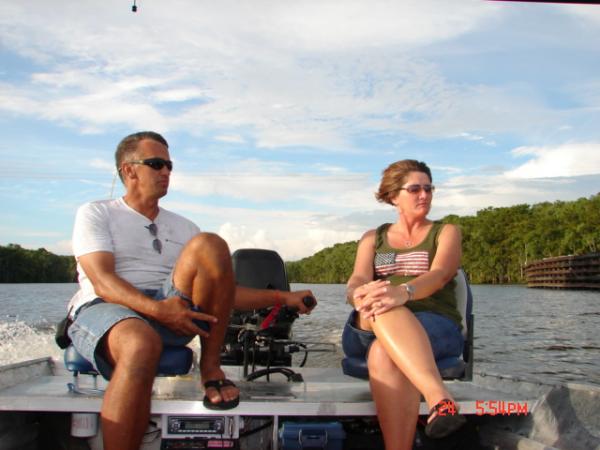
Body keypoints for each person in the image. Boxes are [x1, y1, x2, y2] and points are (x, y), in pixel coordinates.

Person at [67, 131, 316, 450]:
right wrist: (158, 310)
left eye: (169, 165)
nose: (166, 172)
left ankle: (210, 368)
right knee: (140, 343)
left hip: (172, 311)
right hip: (106, 307)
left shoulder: (185, 228)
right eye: (156, 164)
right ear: (128, 170)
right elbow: (102, 280)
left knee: (210, 244)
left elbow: (222, 293)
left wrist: (283, 298)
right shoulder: (97, 212)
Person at [343, 159, 466, 450]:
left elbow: (440, 275)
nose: (424, 195)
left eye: (428, 188)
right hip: (369, 323)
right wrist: (358, 294)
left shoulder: (446, 232)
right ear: (393, 196)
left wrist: (405, 291)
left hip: (434, 322)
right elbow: (356, 279)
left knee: (383, 352)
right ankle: (439, 398)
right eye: (415, 189)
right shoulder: (373, 239)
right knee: (382, 303)